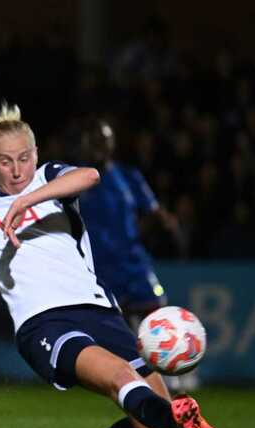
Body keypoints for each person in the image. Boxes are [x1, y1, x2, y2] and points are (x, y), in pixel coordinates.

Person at [0, 103, 216, 428]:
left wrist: (27, 200)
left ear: (36, 154)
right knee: (120, 376)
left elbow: (91, 175)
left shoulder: (49, 178)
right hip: (42, 322)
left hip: (98, 308)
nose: (17, 170)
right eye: (5, 161)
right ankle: (176, 412)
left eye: (23, 158)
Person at [76, 119, 198, 391]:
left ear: (112, 145)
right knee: (114, 329)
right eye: (93, 140)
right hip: (98, 270)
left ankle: (175, 374)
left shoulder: (128, 177)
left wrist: (165, 225)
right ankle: (131, 381)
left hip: (133, 264)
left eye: (103, 140)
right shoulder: (72, 180)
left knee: (157, 314)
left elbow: (155, 212)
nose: (98, 146)